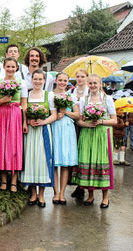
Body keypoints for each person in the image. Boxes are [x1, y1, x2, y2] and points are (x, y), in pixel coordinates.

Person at [72, 74, 117, 208]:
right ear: (87, 85)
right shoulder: (84, 100)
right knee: (89, 162)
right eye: (90, 83)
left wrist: (101, 121)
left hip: (102, 134)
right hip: (87, 134)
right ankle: (90, 196)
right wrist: (85, 124)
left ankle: (105, 197)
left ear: (100, 84)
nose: (92, 86)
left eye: (95, 83)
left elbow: (114, 120)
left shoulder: (107, 99)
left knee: (101, 163)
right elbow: (79, 120)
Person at [0, 57, 28, 191]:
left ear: (17, 68)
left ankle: (14, 180)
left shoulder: (21, 82)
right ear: (4, 67)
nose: (10, 69)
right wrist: (3, 100)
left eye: (13, 67)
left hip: (15, 114)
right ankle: (4, 179)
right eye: (8, 66)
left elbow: (24, 103)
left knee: (14, 146)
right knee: (1, 145)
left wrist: (24, 121)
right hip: (1, 114)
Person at [21, 69, 57, 207]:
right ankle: (33, 193)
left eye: (40, 79)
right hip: (30, 131)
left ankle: (41, 195)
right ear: (32, 80)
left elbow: (53, 115)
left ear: (44, 81)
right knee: (30, 159)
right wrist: (28, 121)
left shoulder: (49, 95)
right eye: (35, 79)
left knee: (42, 160)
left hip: (43, 130)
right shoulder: (27, 95)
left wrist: (43, 121)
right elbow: (23, 112)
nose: (37, 81)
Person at [50, 72, 80, 205]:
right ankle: (55, 192)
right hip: (55, 127)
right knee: (55, 163)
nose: (62, 82)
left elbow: (77, 115)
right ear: (56, 80)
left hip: (67, 129)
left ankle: (62, 193)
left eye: (65, 80)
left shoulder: (71, 96)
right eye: (60, 80)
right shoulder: (50, 95)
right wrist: (56, 115)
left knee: (65, 163)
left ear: (67, 82)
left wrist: (65, 111)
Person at [70, 69, 89, 199]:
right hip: (74, 124)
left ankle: (82, 186)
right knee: (75, 154)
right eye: (78, 76)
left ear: (87, 78)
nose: (80, 79)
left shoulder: (91, 91)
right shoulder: (71, 92)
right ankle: (77, 183)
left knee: (84, 155)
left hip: (87, 124)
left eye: (82, 76)